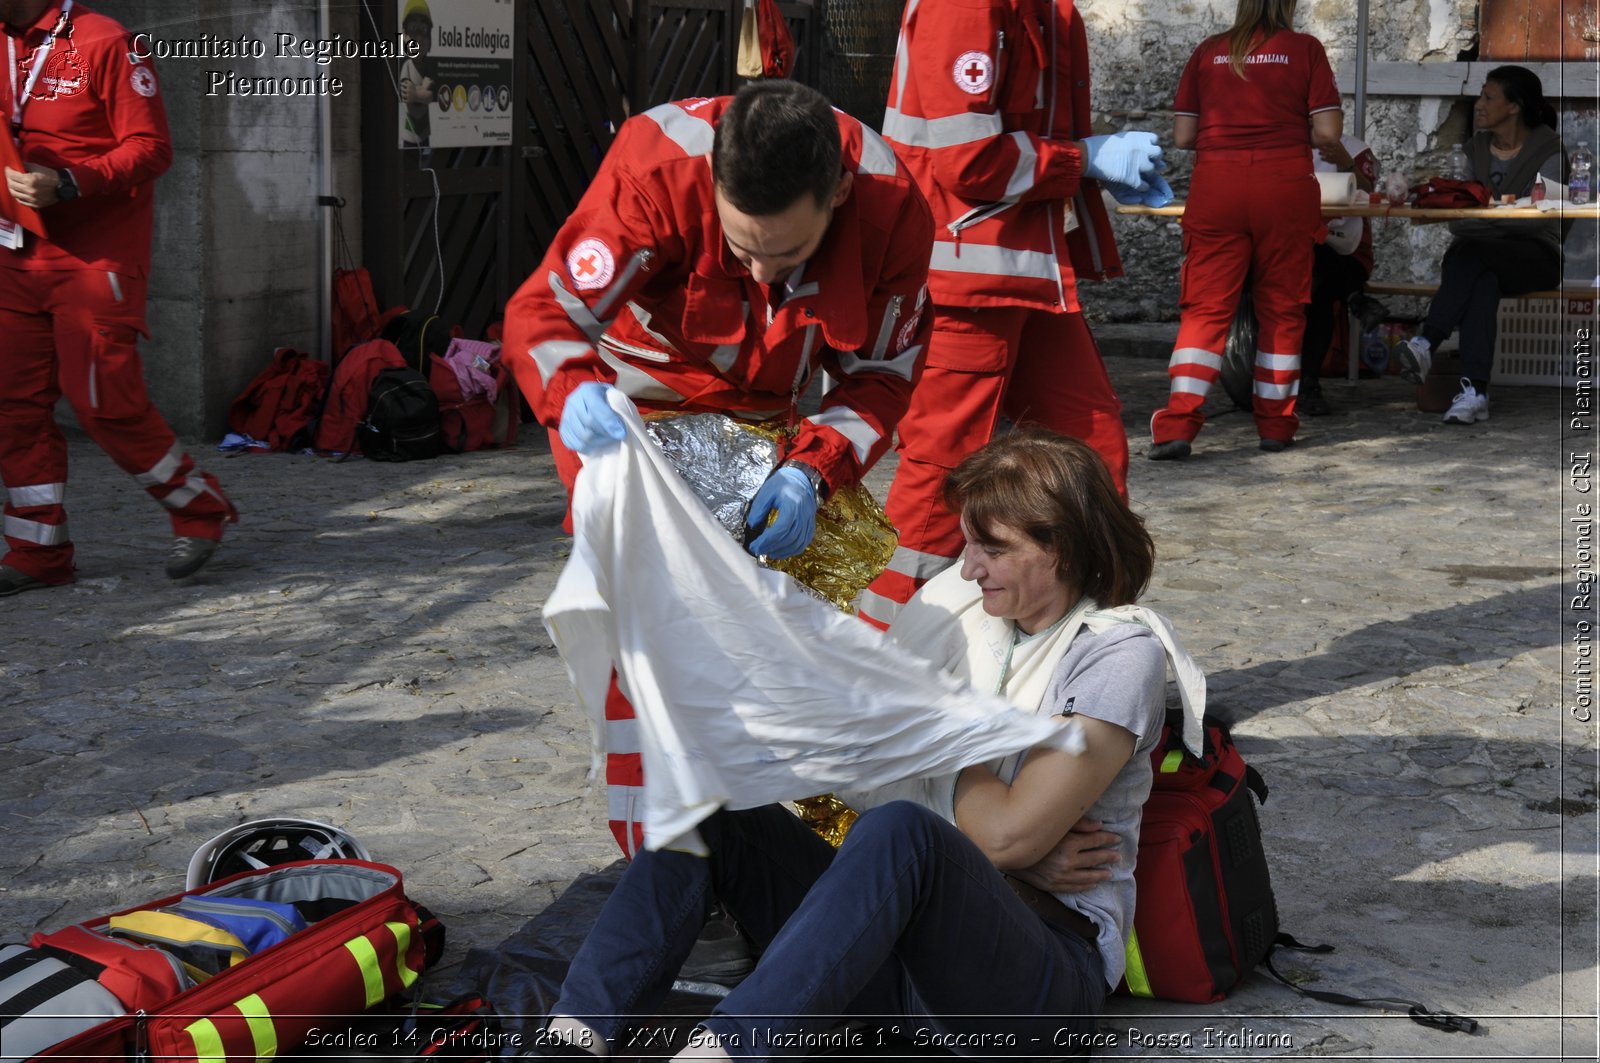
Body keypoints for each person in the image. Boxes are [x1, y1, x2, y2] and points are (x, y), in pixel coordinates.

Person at [532, 430, 1183, 1061]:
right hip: (899, 950)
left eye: (993, 548)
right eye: (968, 543)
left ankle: (727, 1050)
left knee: (903, 828)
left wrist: (940, 748)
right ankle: (572, 1036)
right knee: (707, 813)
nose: (969, 566)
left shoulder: (1118, 655)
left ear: (1062, 550)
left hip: (1030, 990)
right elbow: (858, 762)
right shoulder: (960, 604)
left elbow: (1007, 834)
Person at [503, 79, 935, 854]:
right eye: (742, 250)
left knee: (801, 623)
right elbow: (546, 314)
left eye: (791, 253)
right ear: (712, 187)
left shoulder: (895, 209)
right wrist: (570, 392)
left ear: (838, 194)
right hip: (628, 414)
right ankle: (667, 862)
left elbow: (885, 374)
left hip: (775, 420)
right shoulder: (657, 166)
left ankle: (799, 845)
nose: (766, 276)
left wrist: (814, 469)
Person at [857, 0, 1171, 629]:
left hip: (1021, 275)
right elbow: (967, 161)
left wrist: (1088, 162)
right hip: (964, 281)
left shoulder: (1042, 7)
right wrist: (1086, 158)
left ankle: (1092, 651)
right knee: (941, 478)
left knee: (1094, 456)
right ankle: (872, 658)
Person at [0, 0, 237, 597]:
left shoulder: (107, 40)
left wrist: (72, 182)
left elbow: (152, 148)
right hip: (14, 255)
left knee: (104, 400)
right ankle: (37, 552)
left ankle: (198, 507)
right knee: (14, 407)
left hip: (94, 259)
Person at [1148, 0, 1345, 460]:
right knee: (1282, 308)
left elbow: (1182, 137)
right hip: (1283, 185)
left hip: (1217, 186)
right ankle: (1276, 425)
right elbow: (1327, 132)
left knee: (1206, 309)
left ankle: (1178, 423)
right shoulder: (1305, 49)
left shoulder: (1208, 51)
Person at [1396, 66, 1567, 425]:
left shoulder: (1550, 150)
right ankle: (1475, 393)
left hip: (1538, 257)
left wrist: (1486, 218)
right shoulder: (1472, 151)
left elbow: (1544, 218)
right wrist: (1502, 216)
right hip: (1480, 255)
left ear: (1515, 107)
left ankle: (1427, 341)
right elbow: (1458, 220)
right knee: (1481, 281)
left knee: (1471, 255)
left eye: (1489, 97)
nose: (1479, 105)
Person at [1300, 132, 1380, 416]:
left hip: (1346, 251)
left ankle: (1305, 382)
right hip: (1298, 249)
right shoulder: (1283, 143)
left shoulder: (1354, 150)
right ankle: (1355, 297)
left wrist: (1346, 164)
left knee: (1316, 283)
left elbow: (1369, 190)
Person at [398, 0, 434, 152]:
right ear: (405, 35)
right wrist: (421, 92)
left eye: (423, 29)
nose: (418, 37)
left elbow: (431, 93)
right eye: (413, 29)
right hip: (409, 134)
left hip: (425, 133)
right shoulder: (406, 66)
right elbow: (408, 95)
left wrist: (417, 93)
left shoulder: (428, 66)